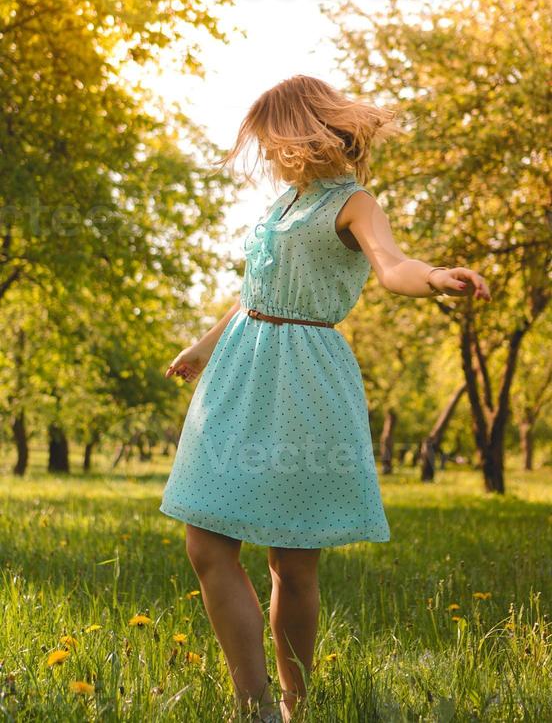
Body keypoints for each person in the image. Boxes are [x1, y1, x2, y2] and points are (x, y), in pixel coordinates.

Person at [160, 75, 491, 722]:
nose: (268, 153)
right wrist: (204, 346)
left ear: (301, 129)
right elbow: (255, 289)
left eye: (271, 138)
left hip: (301, 377)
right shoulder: (283, 203)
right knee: (206, 543)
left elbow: (391, 265)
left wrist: (436, 278)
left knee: (292, 559)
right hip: (238, 368)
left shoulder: (354, 203)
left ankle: (294, 706)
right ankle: (251, 703)